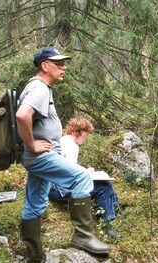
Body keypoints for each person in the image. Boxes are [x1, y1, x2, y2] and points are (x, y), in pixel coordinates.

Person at [16, 47, 110, 262]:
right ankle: (83, 236)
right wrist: (32, 145)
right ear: (44, 66)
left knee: (36, 204)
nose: (63, 67)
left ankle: (34, 255)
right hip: (41, 157)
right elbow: (22, 116)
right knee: (82, 177)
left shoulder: (41, 88)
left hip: (38, 158)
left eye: (63, 63)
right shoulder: (38, 88)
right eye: (58, 63)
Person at [48, 116, 123, 239]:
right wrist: (87, 173)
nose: (86, 137)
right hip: (58, 190)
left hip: (50, 187)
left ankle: (114, 208)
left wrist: (83, 171)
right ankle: (107, 224)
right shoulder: (72, 146)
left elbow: (66, 167)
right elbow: (70, 174)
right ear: (81, 132)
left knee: (104, 184)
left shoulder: (63, 140)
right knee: (103, 186)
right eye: (86, 134)